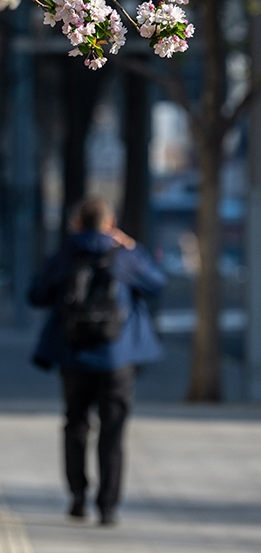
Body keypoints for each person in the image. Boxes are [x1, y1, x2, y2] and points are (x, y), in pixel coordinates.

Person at [28, 197, 165, 526]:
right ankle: (108, 506)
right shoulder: (124, 257)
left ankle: (77, 496)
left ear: (77, 224)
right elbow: (157, 284)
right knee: (113, 431)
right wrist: (132, 247)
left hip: (73, 354)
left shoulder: (65, 254)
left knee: (75, 425)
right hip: (117, 358)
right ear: (110, 223)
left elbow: (36, 295)